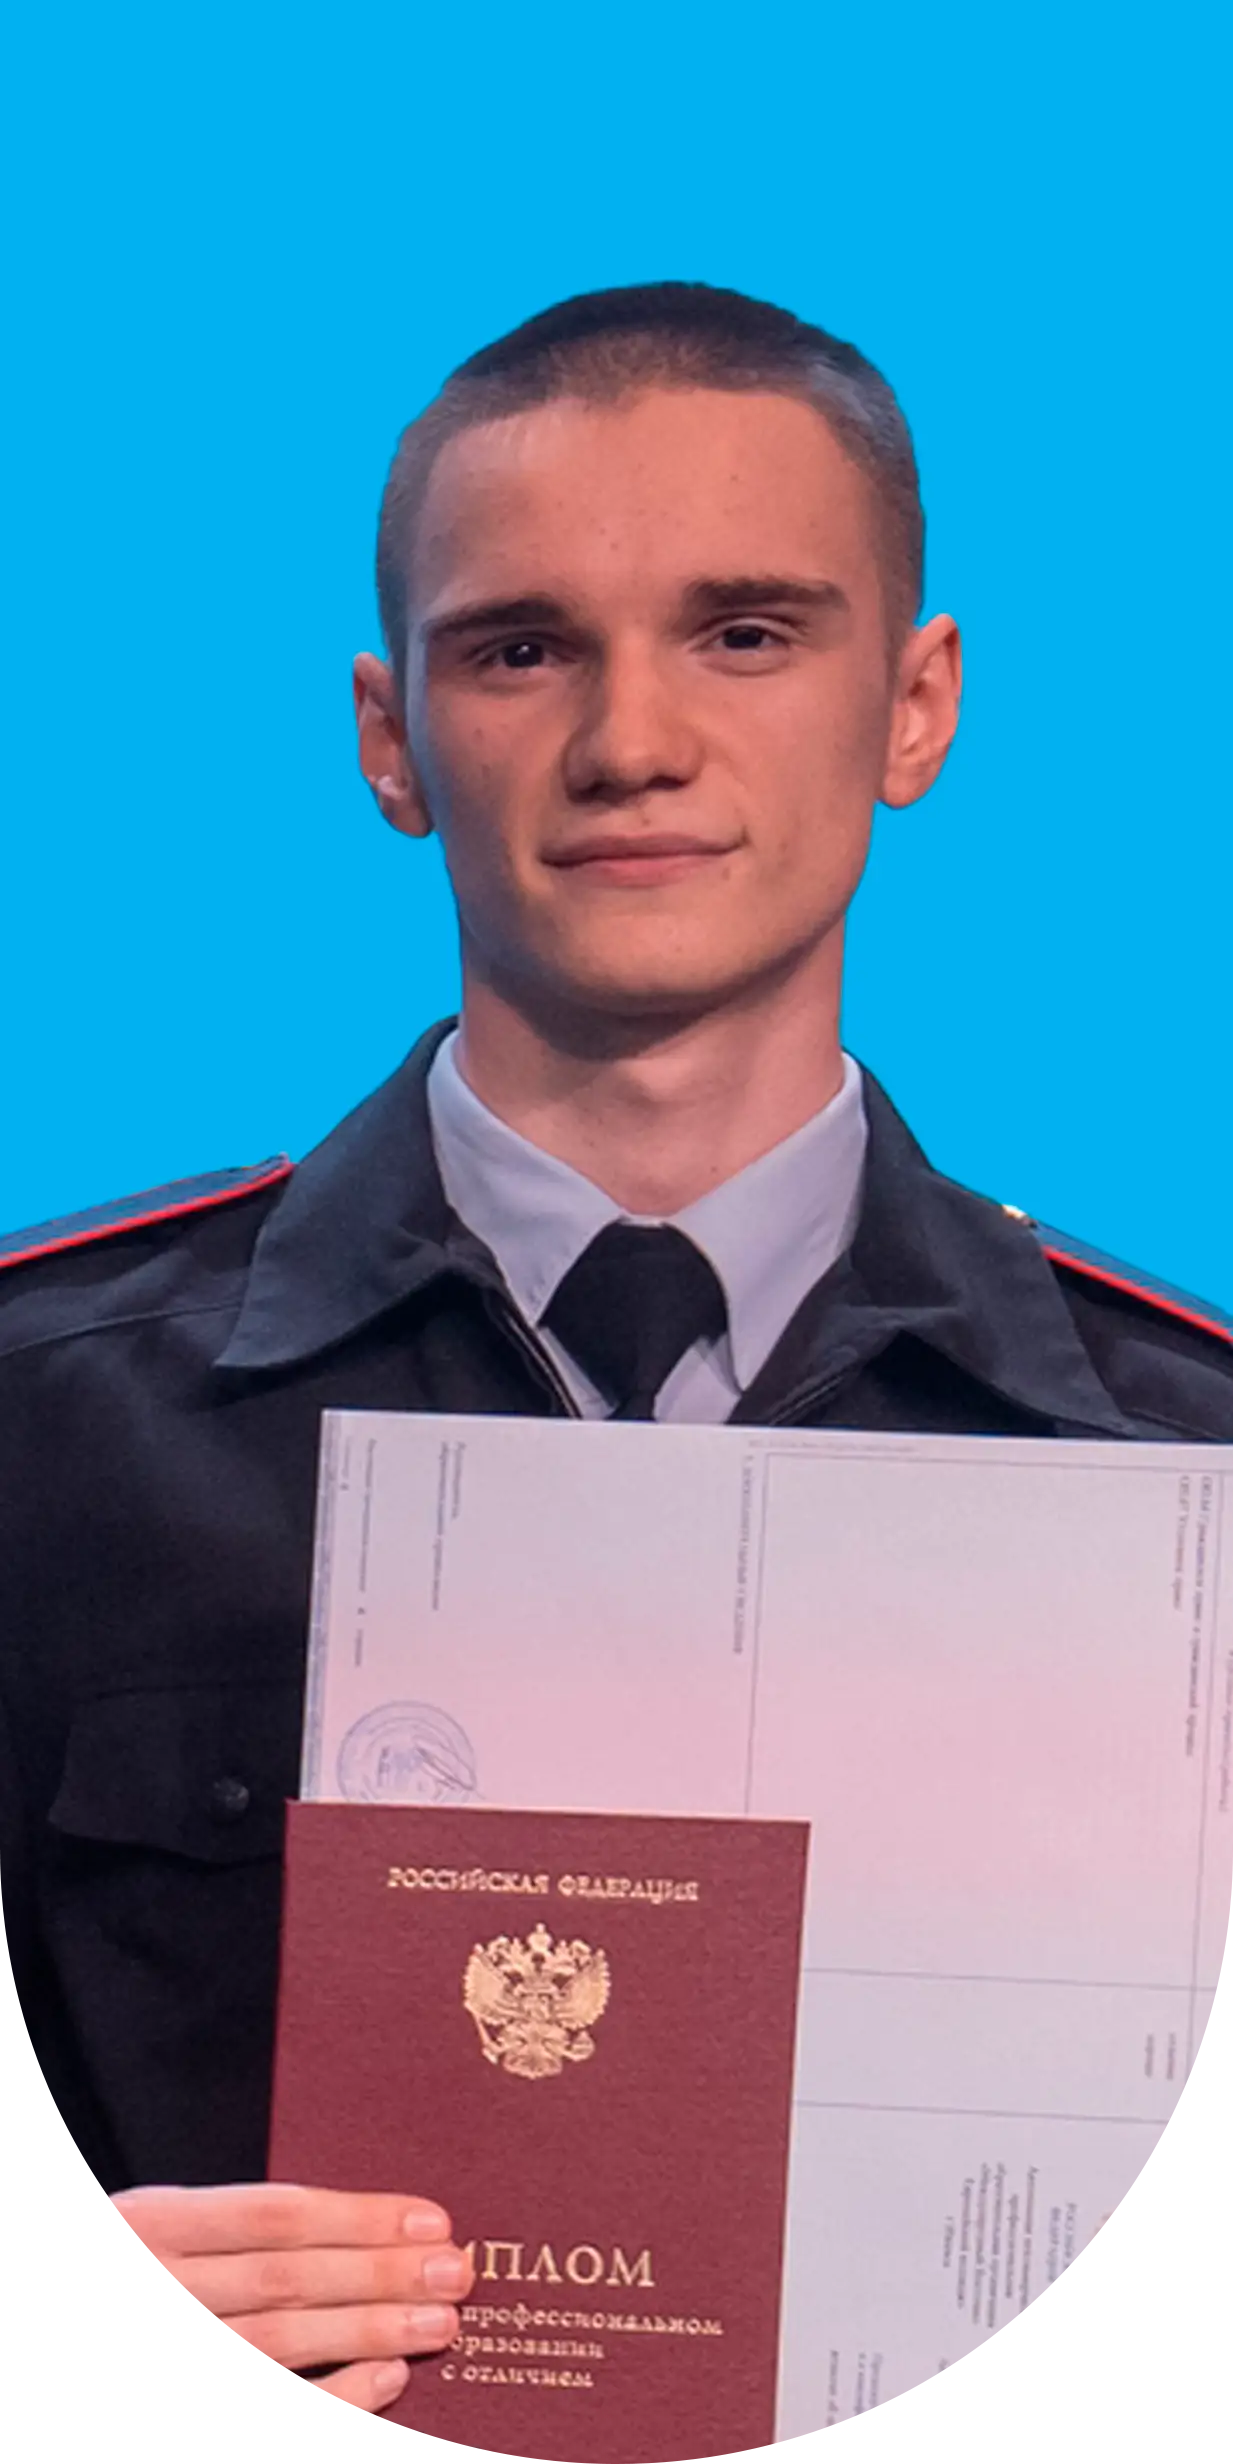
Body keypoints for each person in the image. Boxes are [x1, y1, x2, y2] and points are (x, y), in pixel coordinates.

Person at [1, 281, 1228, 2419]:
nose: (631, 739)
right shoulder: (36, 1431)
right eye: (520, 647)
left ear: (915, 704)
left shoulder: (1192, 1477)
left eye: (745, 632)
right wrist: (74, 2339)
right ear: (393, 738)